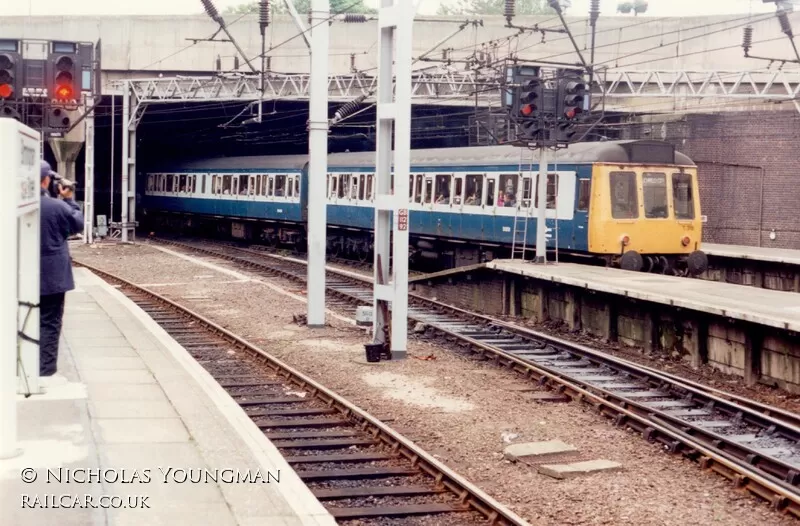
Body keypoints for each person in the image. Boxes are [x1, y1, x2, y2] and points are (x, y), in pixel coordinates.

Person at [39, 161, 84, 380]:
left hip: (18, 275)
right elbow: (77, 224)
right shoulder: (56, 207)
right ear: (46, 180)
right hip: (53, 277)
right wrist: (68, 199)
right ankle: (45, 369)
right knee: (50, 321)